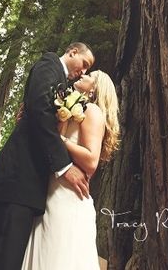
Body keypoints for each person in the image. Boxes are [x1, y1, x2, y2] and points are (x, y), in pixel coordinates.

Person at [0, 42, 95, 270]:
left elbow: (40, 109)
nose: (83, 71)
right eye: (84, 64)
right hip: (17, 180)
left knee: (7, 257)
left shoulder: (64, 85)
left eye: (87, 69)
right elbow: (39, 109)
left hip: (27, 187)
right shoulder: (50, 64)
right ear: (72, 52)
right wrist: (64, 167)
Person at [21, 69, 120, 270]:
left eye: (89, 75)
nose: (83, 75)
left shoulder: (92, 111)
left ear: (95, 88)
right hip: (51, 191)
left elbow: (91, 160)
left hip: (66, 196)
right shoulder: (77, 108)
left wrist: (61, 140)